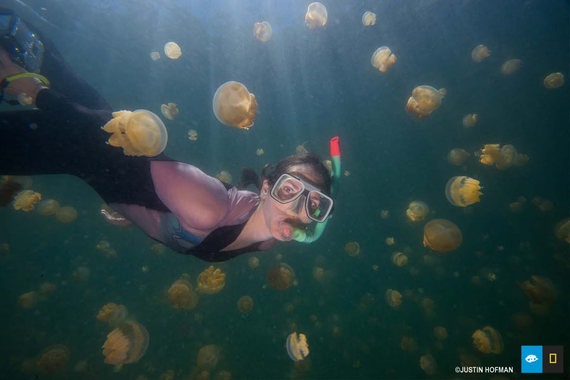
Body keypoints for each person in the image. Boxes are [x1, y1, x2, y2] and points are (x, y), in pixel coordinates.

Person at [0, 9, 340, 262]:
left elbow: (249, 192)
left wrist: (141, 211)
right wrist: (35, 94)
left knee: (40, 54)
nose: (297, 209)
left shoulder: (267, 238)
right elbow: (100, 138)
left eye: (314, 204)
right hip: (77, 142)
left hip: (106, 161)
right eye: (290, 190)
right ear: (268, 189)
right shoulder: (206, 206)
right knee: (25, 66)